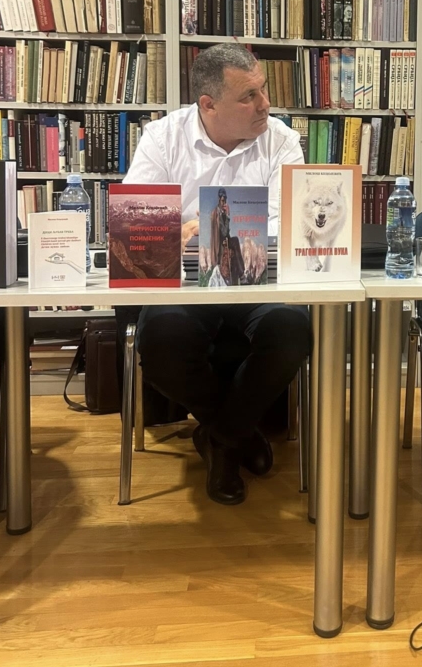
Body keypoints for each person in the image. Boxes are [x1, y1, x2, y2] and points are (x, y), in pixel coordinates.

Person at [123, 43, 311, 506]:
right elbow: (136, 222)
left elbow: (288, 219)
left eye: (262, 89)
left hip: (261, 276)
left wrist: (205, 230)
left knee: (292, 330)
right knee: (161, 340)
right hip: (188, 280)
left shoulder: (281, 139)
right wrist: (175, 231)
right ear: (208, 104)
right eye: (249, 96)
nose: (265, 104)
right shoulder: (162, 138)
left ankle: (221, 438)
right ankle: (235, 432)